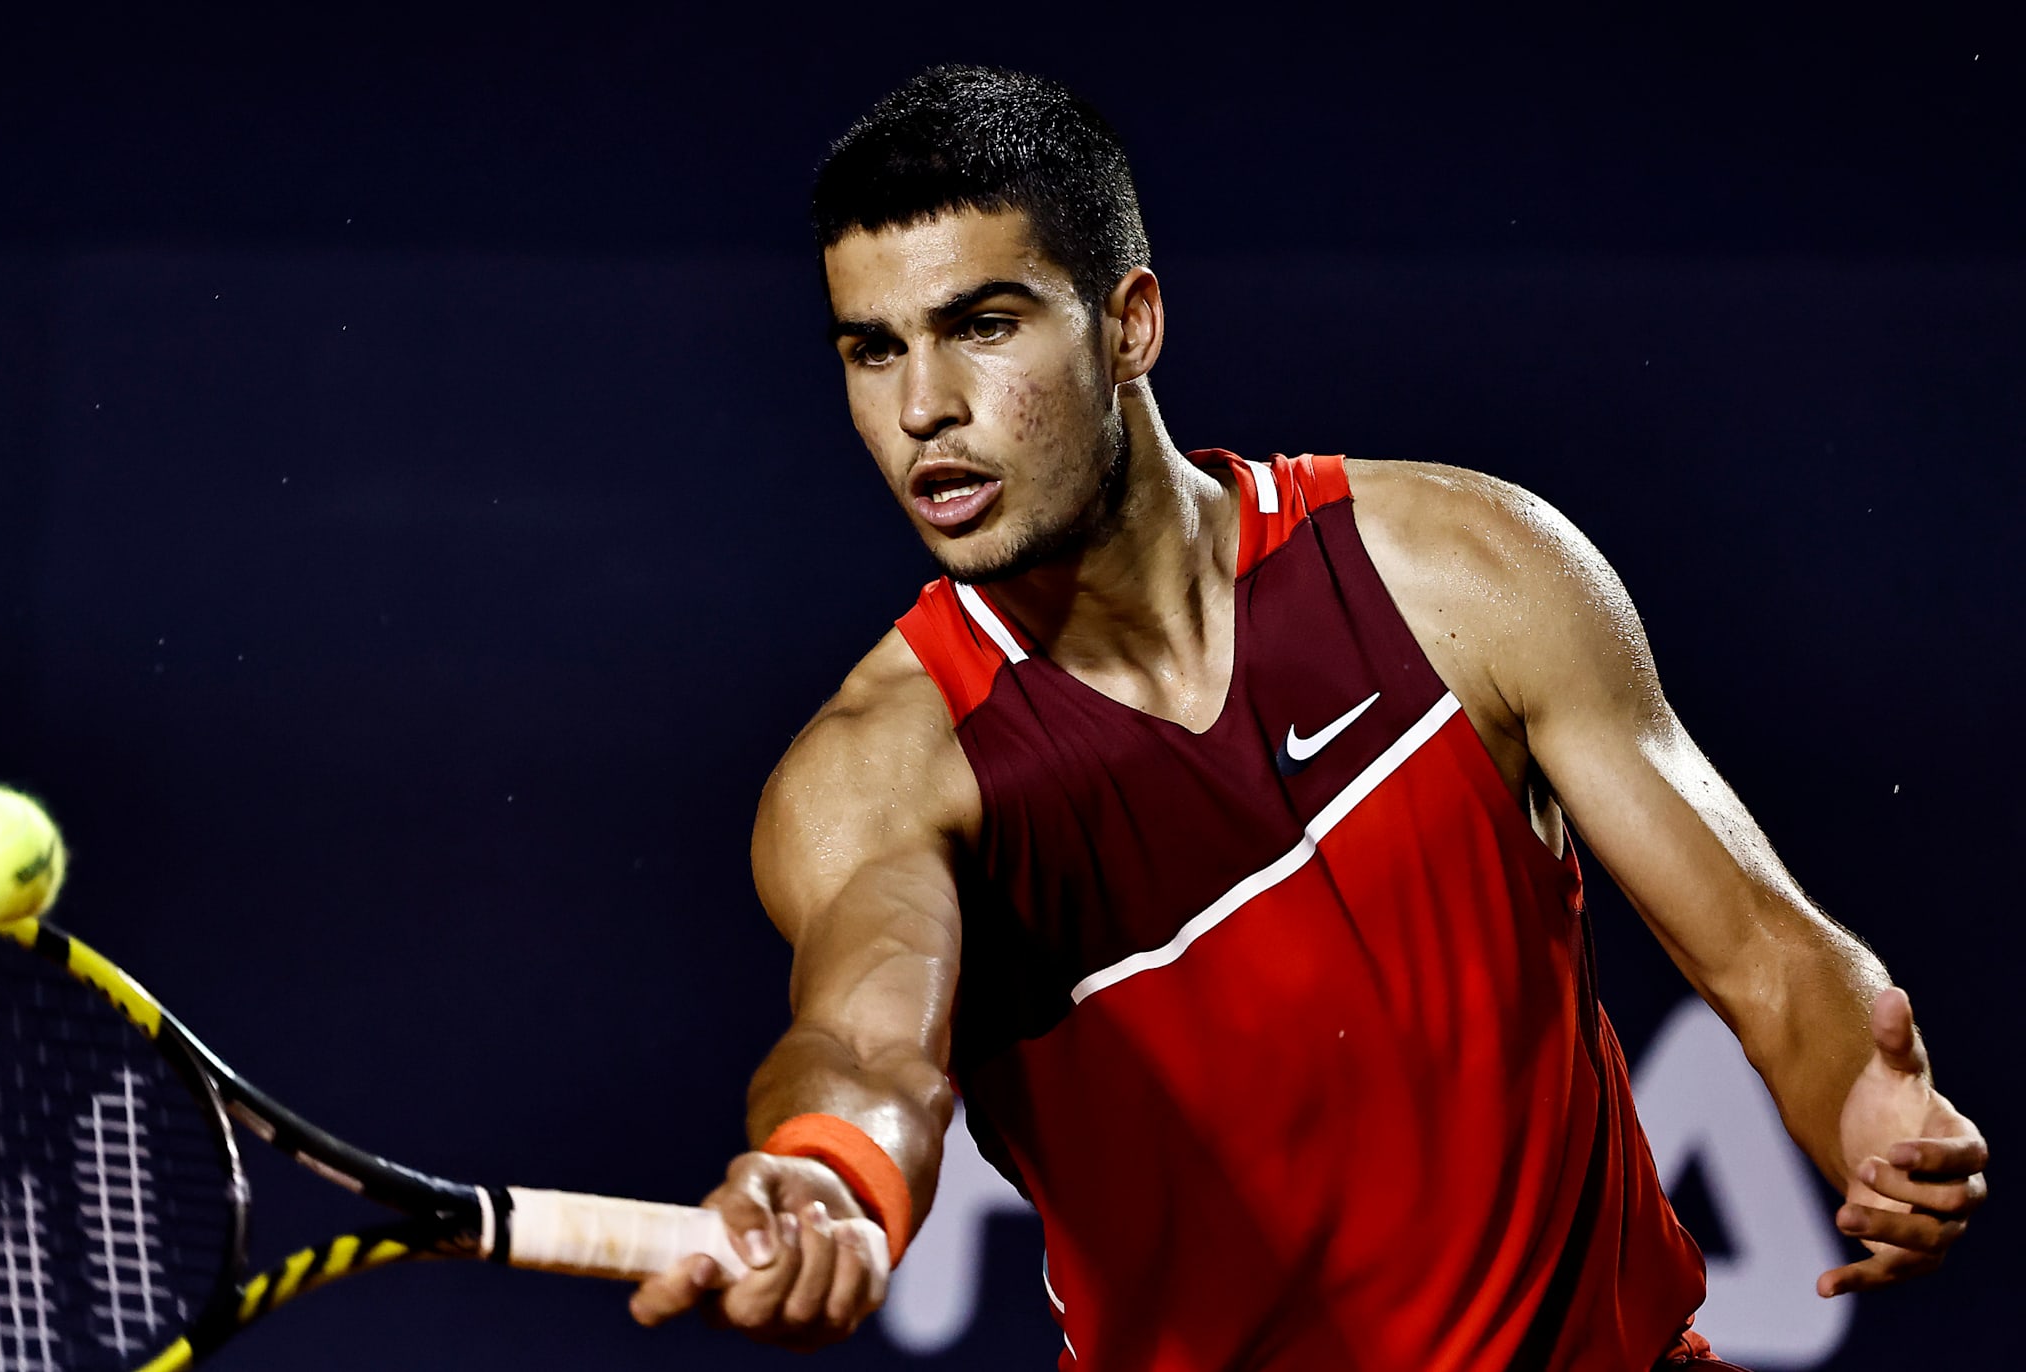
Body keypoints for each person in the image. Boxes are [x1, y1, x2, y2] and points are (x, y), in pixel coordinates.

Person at [628, 65, 1988, 1369]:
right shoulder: (882, 773)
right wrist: (828, 1173)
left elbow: (1764, 952)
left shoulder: (1461, 572)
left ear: (1128, 322)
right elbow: (866, 1043)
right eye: (874, 350)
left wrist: (1864, 1106)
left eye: (983, 325)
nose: (924, 407)